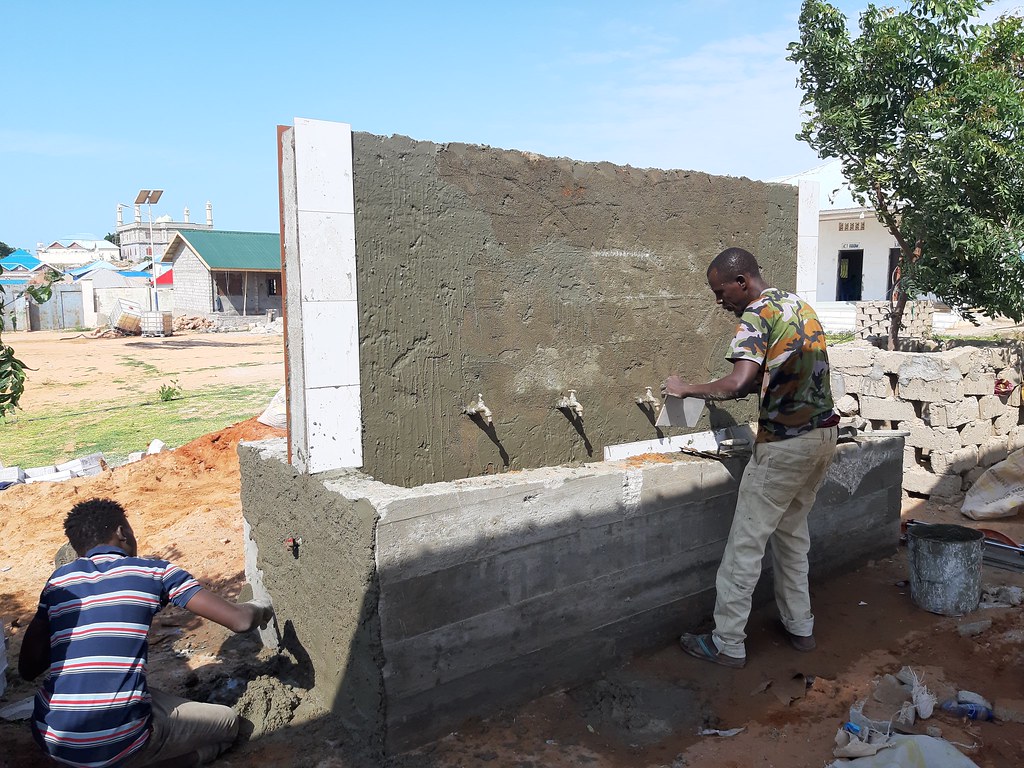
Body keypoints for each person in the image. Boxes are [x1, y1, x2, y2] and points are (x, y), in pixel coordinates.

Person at [662, 247, 838, 668]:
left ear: (742, 282)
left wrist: (686, 389)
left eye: (721, 291)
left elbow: (740, 382)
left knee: (745, 544)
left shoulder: (756, 314)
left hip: (786, 446)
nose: (719, 300)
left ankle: (727, 643)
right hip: (823, 436)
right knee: (793, 537)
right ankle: (801, 627)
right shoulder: (795, 304)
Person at [19, 497, 274, 767]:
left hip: (52, 738)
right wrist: (262, 605)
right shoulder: (153, 572)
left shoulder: (59, 581)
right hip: (118, 741)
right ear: (121, 532)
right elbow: (240, 621)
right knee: (226, 725)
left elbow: (27, 668)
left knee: (129, 692)